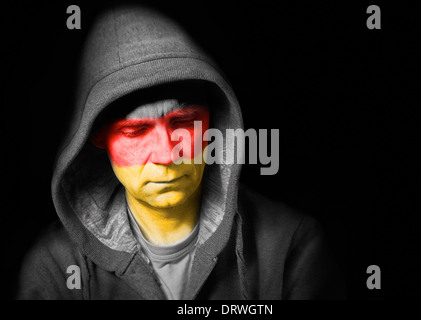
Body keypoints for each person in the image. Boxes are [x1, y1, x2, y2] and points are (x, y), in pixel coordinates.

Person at [16, 3, 345, 300]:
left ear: (214, 123)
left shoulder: (291, 244)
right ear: (97, 137)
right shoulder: (57, 269)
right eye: (136, 131)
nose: (166, 154)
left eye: (184, 123)